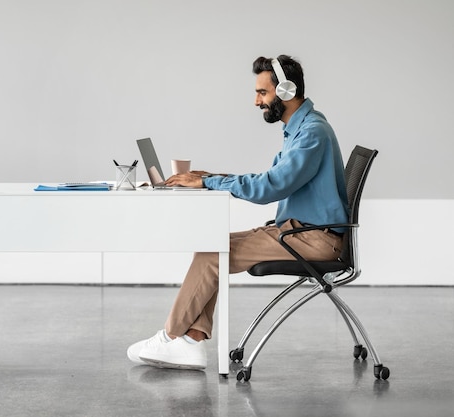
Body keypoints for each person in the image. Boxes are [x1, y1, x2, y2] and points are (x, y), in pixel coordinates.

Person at [127, 55, 349, 370]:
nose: (257, 101)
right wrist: (210, 178)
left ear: (286, 90)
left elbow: (270, 187)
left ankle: (170, 337)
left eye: (263, 92)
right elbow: (269, 181)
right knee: (212, 246)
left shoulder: (312, 132)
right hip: (300, 231)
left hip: (312, 238)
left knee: (212, 253)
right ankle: (191, 340)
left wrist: (209, 182)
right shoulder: (300, 130)